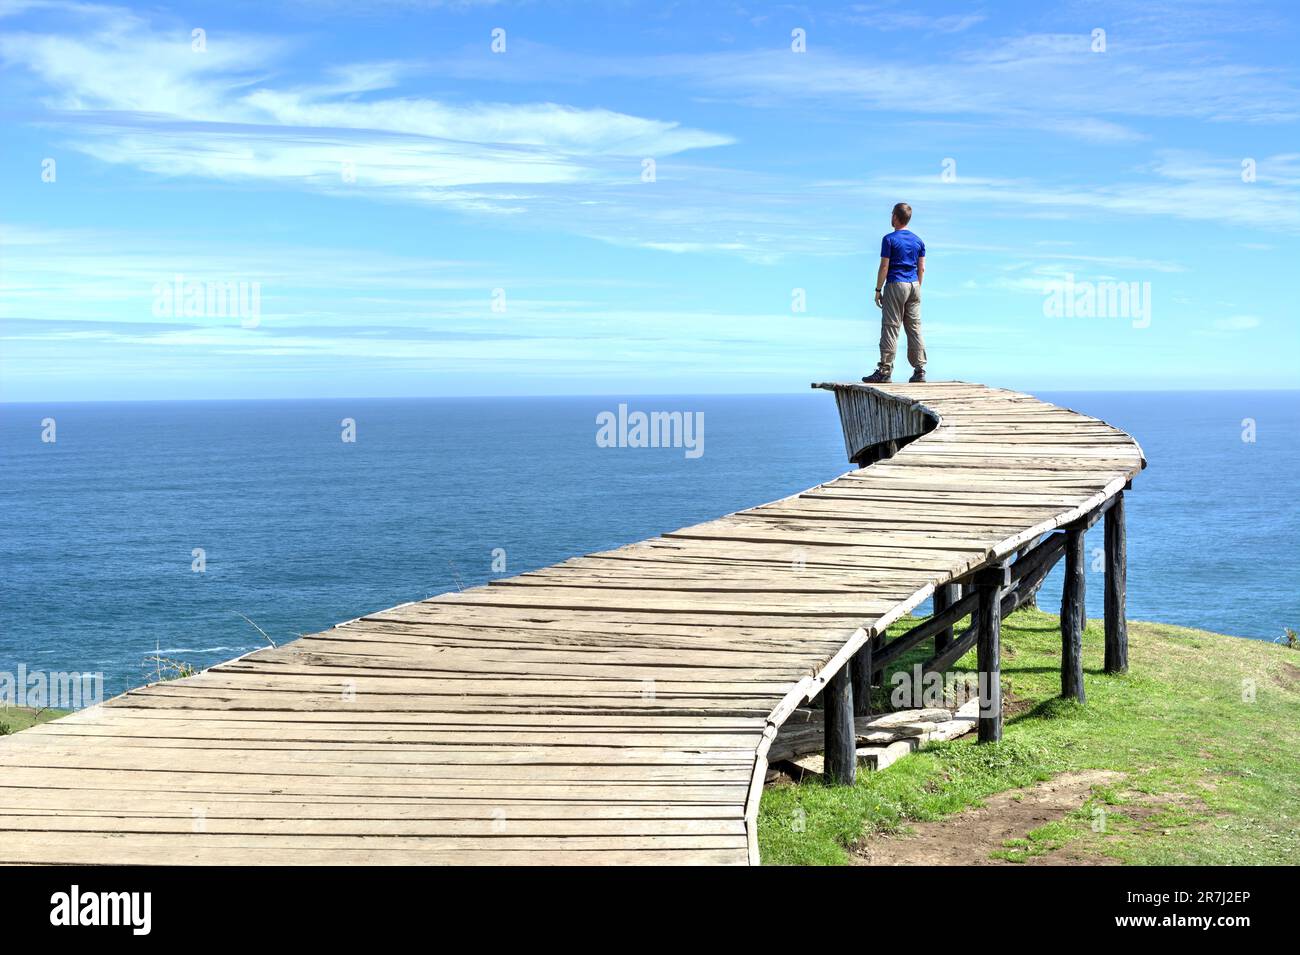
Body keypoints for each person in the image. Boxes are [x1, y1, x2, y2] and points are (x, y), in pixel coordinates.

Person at [863, 202, 926, 384]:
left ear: (895, 217)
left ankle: (885, 370)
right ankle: (919, 369)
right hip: (914, 284)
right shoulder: (918, 241)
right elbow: (921, 268)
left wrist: (877, 289)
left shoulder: (889, 239)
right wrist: (917, 286)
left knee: (891, 327)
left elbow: (884, 266)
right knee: (914, 328)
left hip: (896, 283)